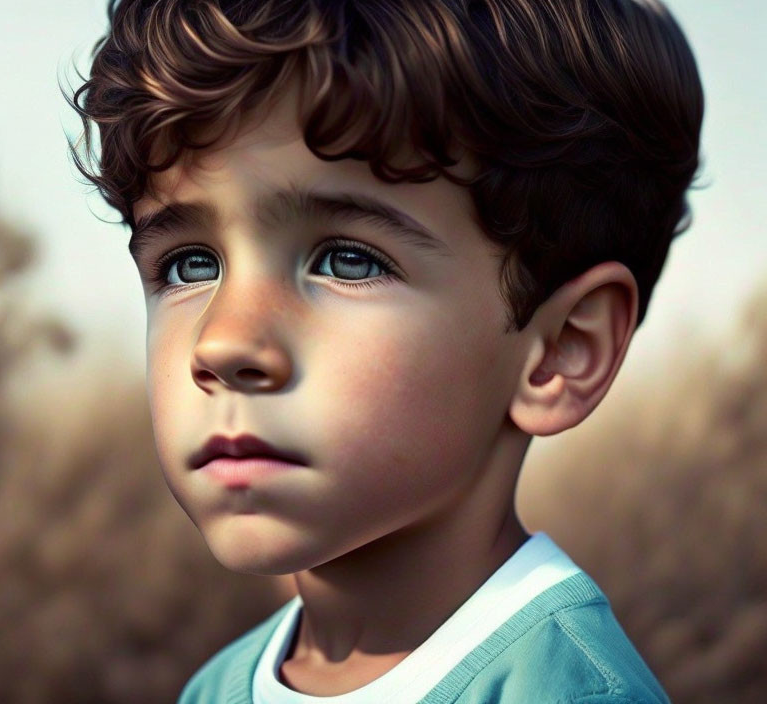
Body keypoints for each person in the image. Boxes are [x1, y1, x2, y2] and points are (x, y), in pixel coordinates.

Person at [66, 0, 703, 701]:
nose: (223, 343)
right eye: (190, 265)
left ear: (562, 350)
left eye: (346, 261)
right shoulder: (218, 689)